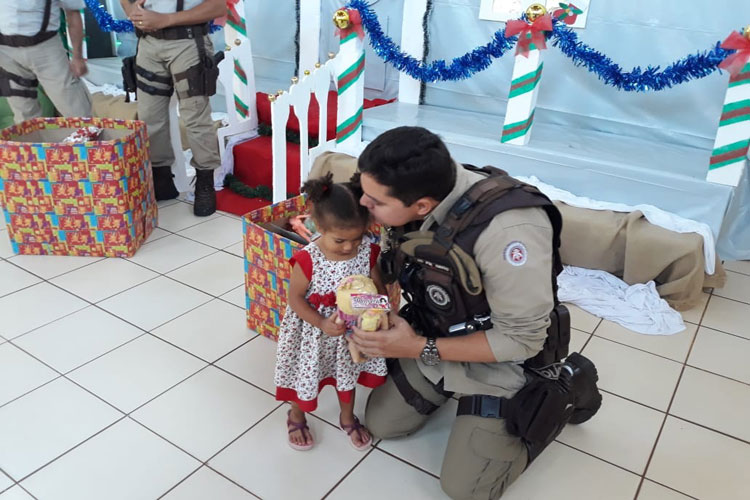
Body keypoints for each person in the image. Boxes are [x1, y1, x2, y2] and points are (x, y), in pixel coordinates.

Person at [350, 126, 600, 499]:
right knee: (382, 424)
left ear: (422, 205)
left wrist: (417, 347)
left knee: (466, 490)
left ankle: (567, 382)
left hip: (505, 359)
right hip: (435, 330)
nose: (363, 205)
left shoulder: (510, 232)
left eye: (374, 201)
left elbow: (521, 339)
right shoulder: (421, 190)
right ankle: (448, 385)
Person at [274, 173, 388, 451]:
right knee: (307, 375)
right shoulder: (308, 258)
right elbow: (296, 299)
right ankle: (296, 414)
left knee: (346, 372)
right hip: (314, 332)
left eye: (357, 239)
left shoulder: (368, 252)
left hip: (352, 333)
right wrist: (322, 322)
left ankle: (347, 417)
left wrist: (376, 315)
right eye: (340, 241)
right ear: (319, 226)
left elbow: (379, 292)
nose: (349, 247)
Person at [120, 0, 224, 216]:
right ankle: (161, 179)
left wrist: (166, 19)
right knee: (149, 116)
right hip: (148, 44)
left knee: (195, 115)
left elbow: (219, 6)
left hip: (187, 41)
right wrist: (133, 13)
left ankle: (205, 182)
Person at [0, 0, 92, 123]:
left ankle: (91, 138)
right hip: (6, 52)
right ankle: (31, 141)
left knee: (75, 108)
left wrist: (77, 57)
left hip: (46, 48)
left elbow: (73, 13)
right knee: (24, 116)